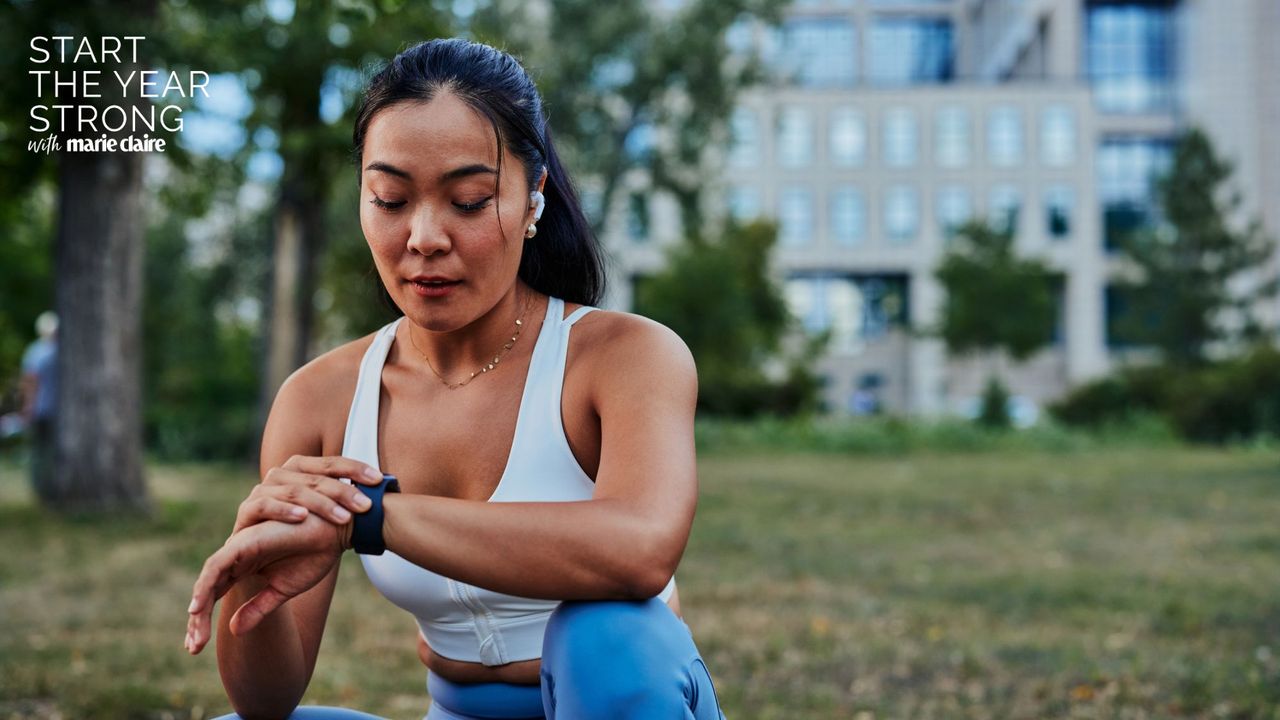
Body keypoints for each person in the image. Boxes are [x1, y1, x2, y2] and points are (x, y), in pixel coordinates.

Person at [184, 39, 724, 720]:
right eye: (390, 198)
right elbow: (268, 701)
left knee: (602, 634)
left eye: (468, 201)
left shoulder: (625, 356)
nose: (425, 236)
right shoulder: (320, 399)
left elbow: (640, 553)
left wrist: (374, 516)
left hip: (626, 699)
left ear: (533, 201)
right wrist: (253, 573)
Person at [20, 311, 58, 502]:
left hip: (42, 409)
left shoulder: (35, 351)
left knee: (40, 452)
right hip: (55, 412)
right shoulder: (62, 351)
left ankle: (42, 489)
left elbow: (30, 382)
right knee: (50, 452)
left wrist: (28, 407)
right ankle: (47, 489)